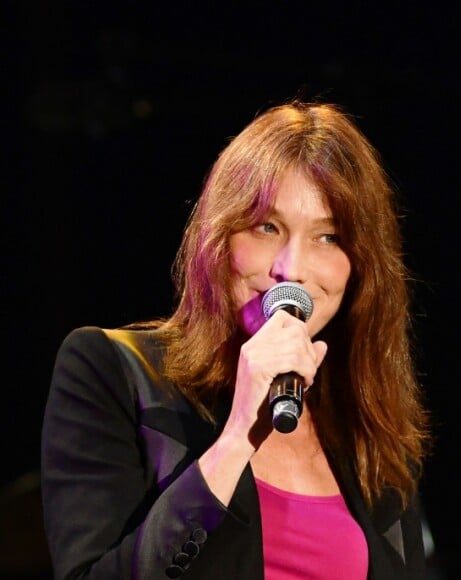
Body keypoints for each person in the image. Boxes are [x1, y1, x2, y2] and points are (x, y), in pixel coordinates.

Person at [41, 100, 430, 579]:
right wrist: (237, 435)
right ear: (219, 234)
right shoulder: (112, 371)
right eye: (268, 228)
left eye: (328, 238)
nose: (291, 268)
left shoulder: (367, 427)